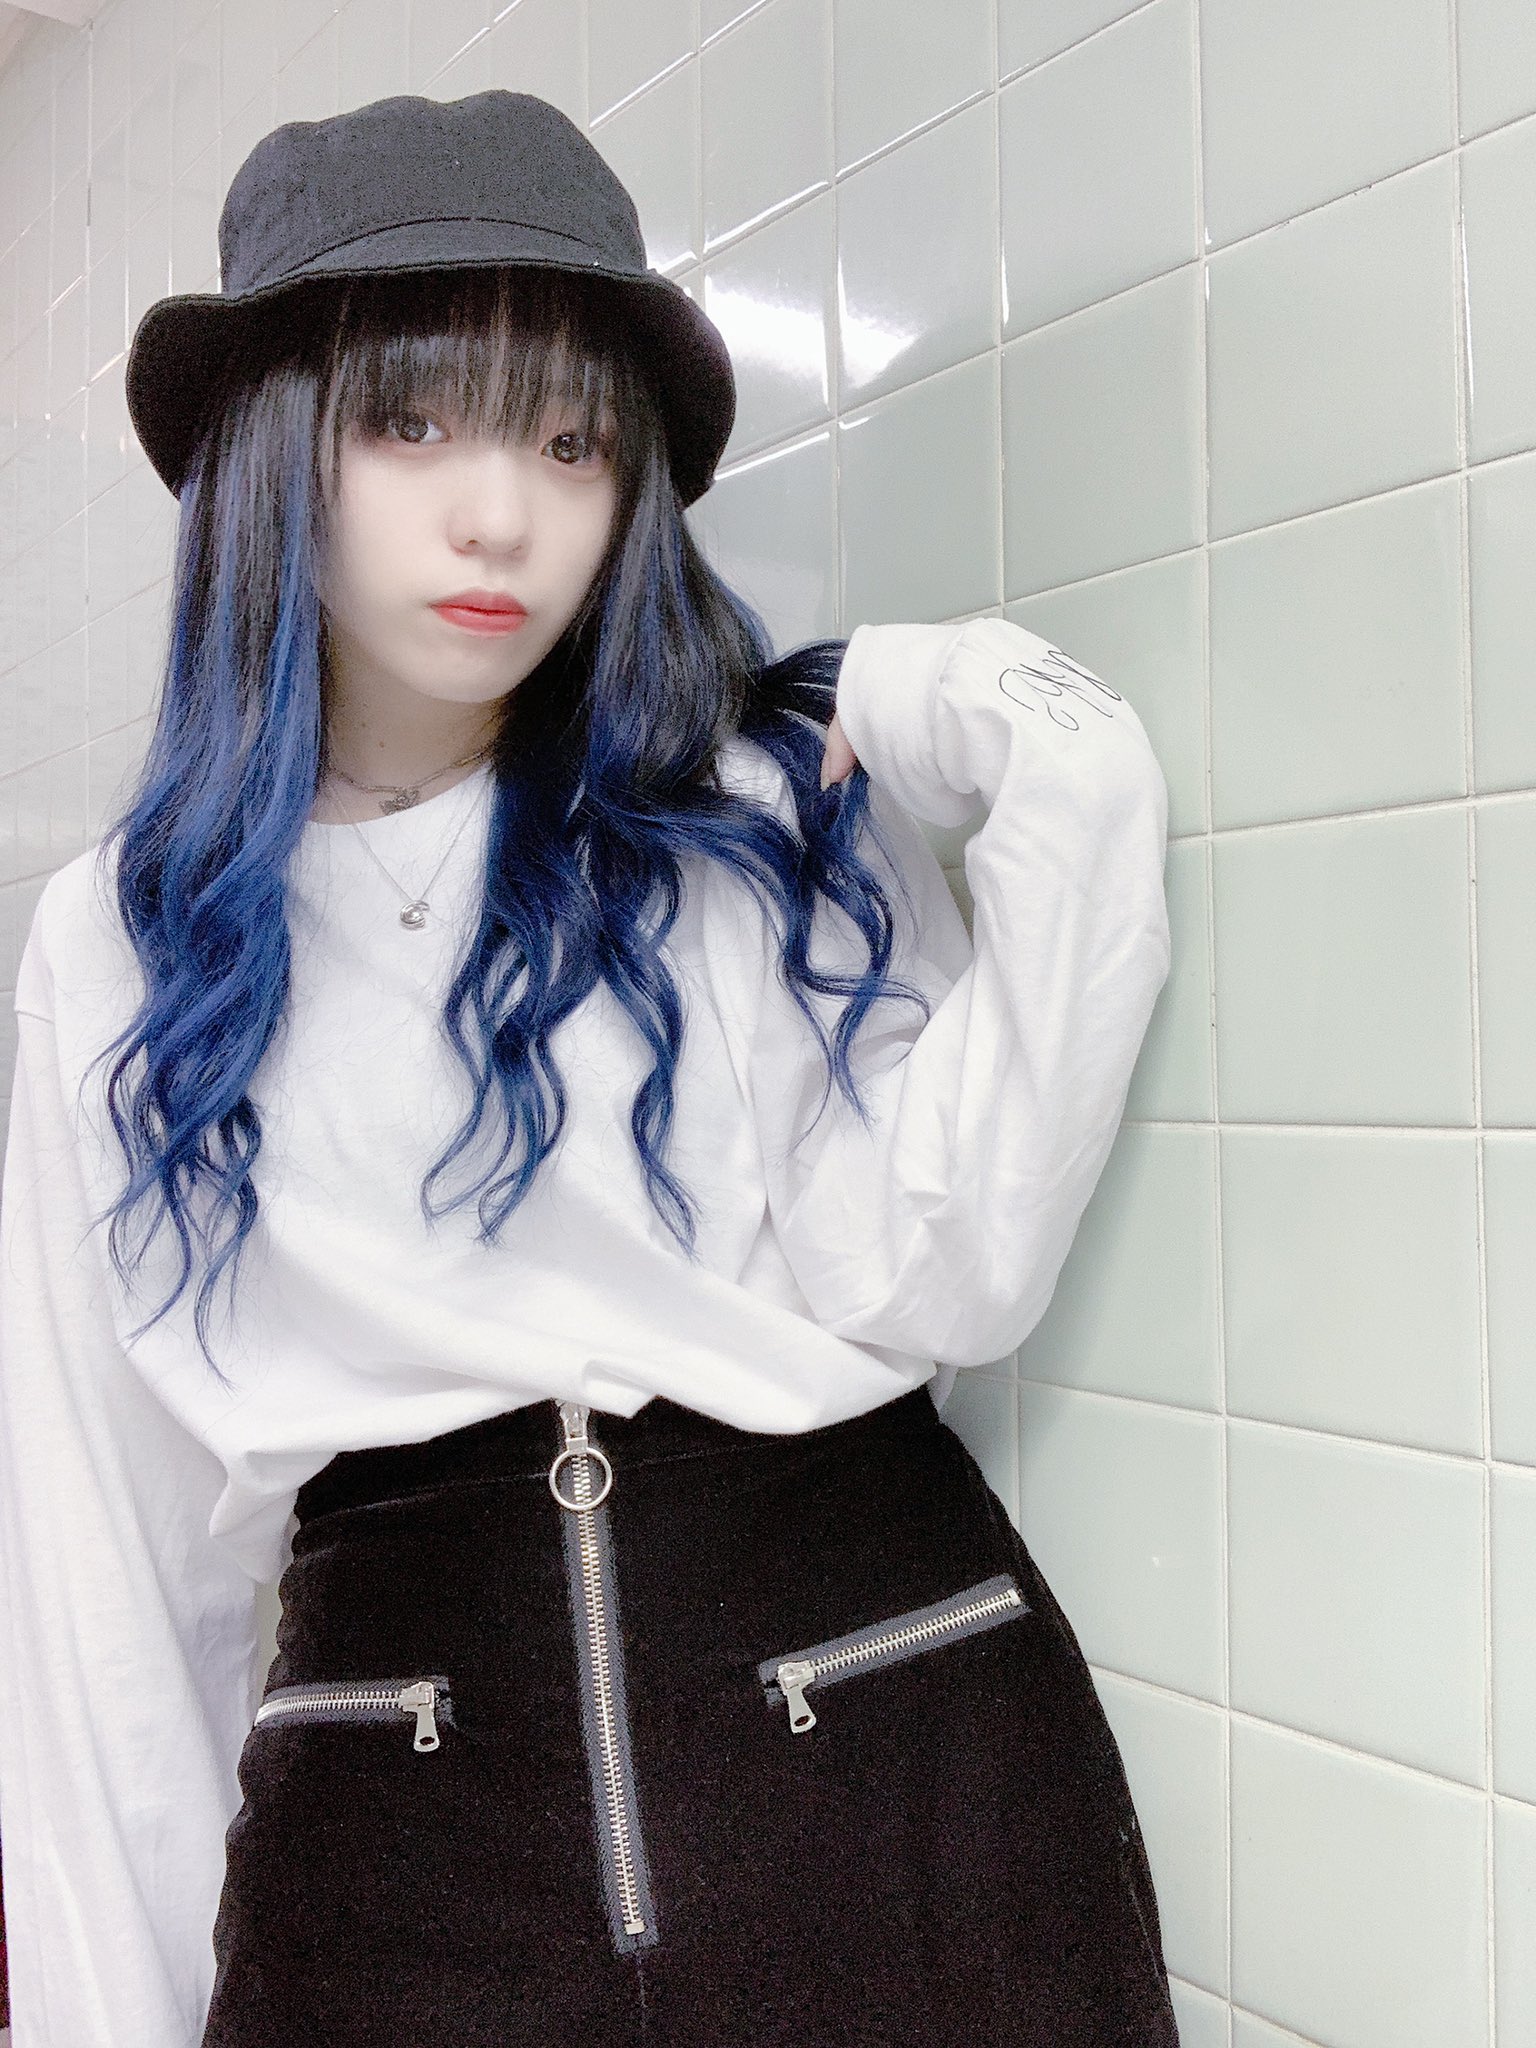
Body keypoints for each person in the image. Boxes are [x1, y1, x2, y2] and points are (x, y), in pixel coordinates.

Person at [0, 88, 1177, 2048]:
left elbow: (952, 1268)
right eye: (414, 422)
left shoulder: (746, 808)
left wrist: (1012, 731)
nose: (504, 517)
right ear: (276, 442)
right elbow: (103, 1574)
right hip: (396, 1852)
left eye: (570, 440)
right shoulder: (120, 940)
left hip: (897, 1765)